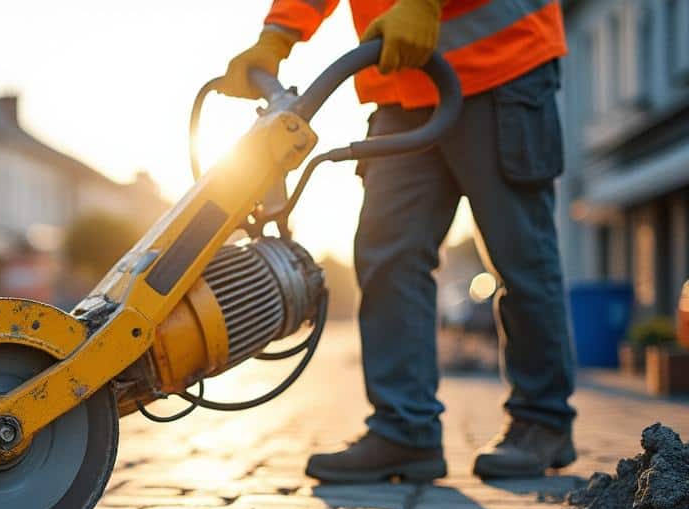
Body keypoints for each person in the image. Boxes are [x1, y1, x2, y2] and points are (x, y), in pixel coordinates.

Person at [220, 0, 575, 481]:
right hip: (402, 84)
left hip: (503, 68)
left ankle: (543, 421)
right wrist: (278, 35)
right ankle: (403, 430)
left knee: (520, 255)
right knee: (387, 254)